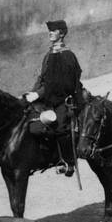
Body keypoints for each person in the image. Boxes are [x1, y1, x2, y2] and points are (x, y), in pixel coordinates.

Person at [25, 19, 84, 174]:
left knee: (59, 127)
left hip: (63, 98)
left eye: (54, 30)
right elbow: (42, 78)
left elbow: (57, 84)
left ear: (62, 34)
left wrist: (38, 94)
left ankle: (68, 162)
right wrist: (32, 93)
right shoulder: (49, 54)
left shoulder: (66, 55)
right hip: (48, 97)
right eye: (49, 31)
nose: (50, 33)